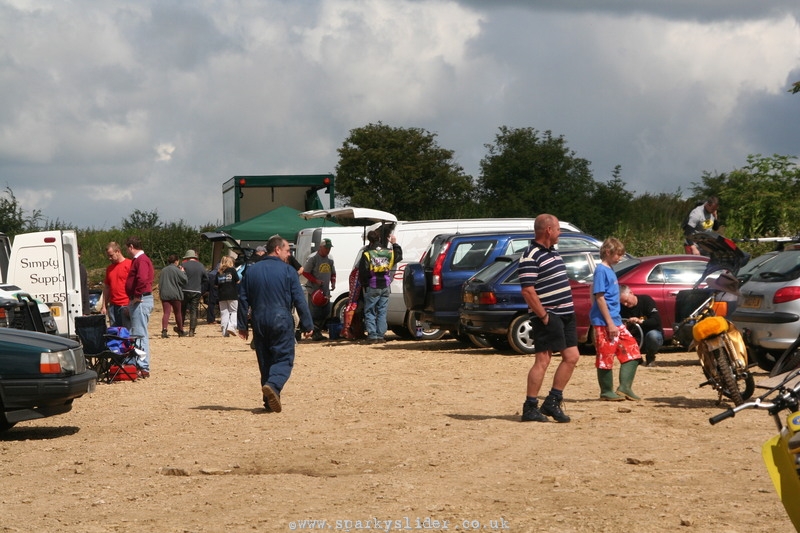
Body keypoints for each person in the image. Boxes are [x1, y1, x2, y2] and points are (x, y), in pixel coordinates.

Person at [237, 235, 314, 413]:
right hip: (280, 318)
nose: (289, 255)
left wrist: (242, 325)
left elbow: (242, 298)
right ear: (277, 249)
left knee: (265, 360)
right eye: (287, 250)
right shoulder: (288, 271)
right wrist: (308, 324)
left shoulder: (251, 270)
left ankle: (269, 400)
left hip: (258, 320)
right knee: (284, 358)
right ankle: (273, 384)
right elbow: (299, 300)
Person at [518, 214, 580, 423]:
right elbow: (527, 290)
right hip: (549, 315)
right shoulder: (530, 255)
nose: (560, 233)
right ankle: (530, 406)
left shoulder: (553, 251)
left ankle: (552, 400)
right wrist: (543, 316)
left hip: (566, 314)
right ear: (548, 230)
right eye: (558, 229)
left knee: (572, 357)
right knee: (543, 360)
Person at [590, 238, 643, 401]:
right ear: (608, 252)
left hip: (615, 320)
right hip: (605, 322)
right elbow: (599, 297)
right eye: (618, 254)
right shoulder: (601, 270)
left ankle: (624, 387)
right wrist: (610, 323)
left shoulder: (610, 270)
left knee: (633, 350)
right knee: (606, 355)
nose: (620, 258)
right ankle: (606, 391)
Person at [358, 230, 402, 344]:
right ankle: (381, 335)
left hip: (373, 285)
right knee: (382, 311)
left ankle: (373, 336)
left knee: (370, 311)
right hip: (386, 285)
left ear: (369, 240)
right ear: (379, 239)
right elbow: (399, 256)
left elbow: (363, 271)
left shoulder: (368, 253)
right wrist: (394, 243)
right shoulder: (388, 252)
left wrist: (364, 284)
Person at [124, 236, 155, 377]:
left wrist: (137, 295)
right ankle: (138, 364)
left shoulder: (141, 260)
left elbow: (142, 279)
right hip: (140, 299)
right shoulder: (140, 260)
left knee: (140, 334)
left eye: (127, 248)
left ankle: (143, 366)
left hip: (141, 299)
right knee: (137, 333)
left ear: (131, 246)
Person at [619, 284, 663, 367]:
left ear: (631, 293)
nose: (625, 304)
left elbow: (656, 321)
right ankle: (637, 359)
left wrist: (640, 321)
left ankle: (650, 357)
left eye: (626, 301)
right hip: (635, 337)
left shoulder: (646, 300)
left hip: (650, 334)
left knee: (653, 336)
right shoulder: (621, 308)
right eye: (622, 302)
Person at [302, 238, 336, 341]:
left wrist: (333, 282)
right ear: (320, 247)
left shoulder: (330, 258)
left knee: (325, 312)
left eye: (329, 248)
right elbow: (305, 272)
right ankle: (314, 333)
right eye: (326, 248)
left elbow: (333, 272)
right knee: (315, 313)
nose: (328, 250)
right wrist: (315, 280)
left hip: (325, 291)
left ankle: (319, 331)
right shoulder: (313, 258)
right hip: (314, 291)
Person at [102, 241, 132, 328]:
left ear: (118, 252)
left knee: (127, 332)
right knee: (114, 332)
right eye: (108, 256)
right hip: (113, 306)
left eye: (111, 255)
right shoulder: (109, 268)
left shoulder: (130, 264)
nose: (109, 258)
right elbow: (107, 287)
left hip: (126, 304)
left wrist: (131, 304)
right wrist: (104, 306)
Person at [159, 254, 187, 338]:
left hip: (165, 294)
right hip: (175, 294)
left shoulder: (163, 270)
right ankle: (180, 330)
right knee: (178, 313)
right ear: (176, 261)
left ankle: (164, 330)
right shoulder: (177, 270)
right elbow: (185, 280)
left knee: (166, 313)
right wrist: (183, 272)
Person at [179, 249, 206, 337]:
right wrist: (200, 285)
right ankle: (191, 330)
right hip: (196, 290)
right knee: (194, 310)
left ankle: (181, 328)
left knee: (182, 309)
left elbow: (179, 277)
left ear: (187, 257)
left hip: (185, 290)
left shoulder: (183, 265)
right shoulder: (201, 266)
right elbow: (206, 278)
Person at [215, 255, 240, 337]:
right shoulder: (232, 270)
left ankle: (224, 331)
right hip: (232, 294)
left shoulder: (219, 271)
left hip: (221, 295)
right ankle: (232, 326)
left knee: (224, 312)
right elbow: (237, 280)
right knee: (233, 311)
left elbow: (215, 284)